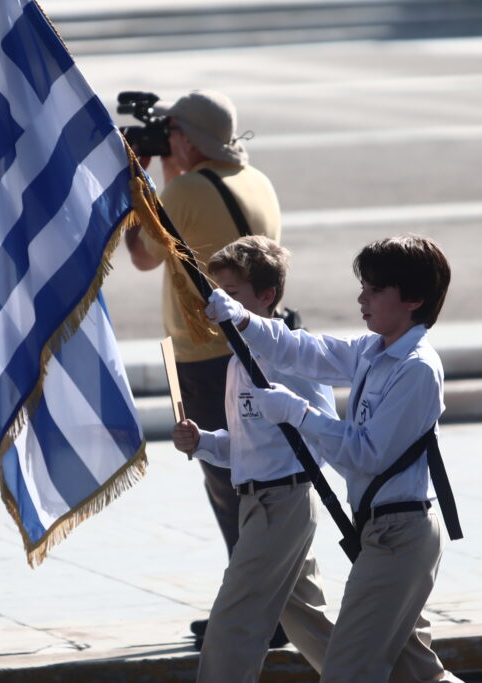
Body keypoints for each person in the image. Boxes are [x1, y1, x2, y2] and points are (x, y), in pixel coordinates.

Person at [205, 234, 463, 683]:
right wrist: (245, 320)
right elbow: (305, 350)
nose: (361, 298)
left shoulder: (416, 368)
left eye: (375, 289)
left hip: (400, 536)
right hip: (381, 530)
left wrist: (299, 413)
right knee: (415, 675)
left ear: (414, 299)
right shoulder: (373, 350)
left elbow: (365, 455)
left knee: (347, 671)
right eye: (363, 286)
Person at [123, 90, 283, 642]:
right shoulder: (256, 180)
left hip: (205, 354)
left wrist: (138, 178)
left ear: (185, 139)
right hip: (255, 345)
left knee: (228, 484)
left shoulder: (186, 189)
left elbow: (143, 255)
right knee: (256, 481)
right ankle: (269, 607)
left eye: (170, 135)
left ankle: (251, 616)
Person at [172, 235, 335, 681]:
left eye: (233, 295)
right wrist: (203, 441)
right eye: (216, 293)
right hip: (257, 503)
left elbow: (326, 433)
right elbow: (246, 445)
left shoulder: (292, 354)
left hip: (283, 501)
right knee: (310, 626)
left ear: (267, 297)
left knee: (232, 624)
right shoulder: (236, 362)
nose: (218, 304)